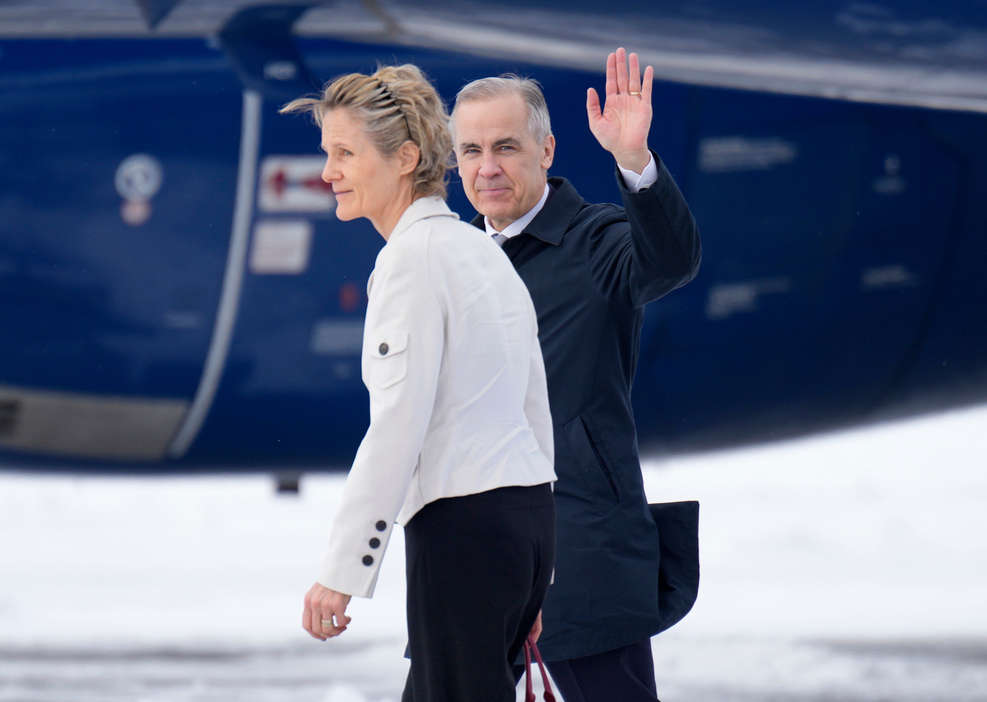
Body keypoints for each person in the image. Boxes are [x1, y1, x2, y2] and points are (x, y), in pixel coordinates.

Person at [281, 64, 557, 702]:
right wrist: (539, 568)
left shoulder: (411, 262)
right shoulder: (479, 250)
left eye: (345, 153)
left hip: (466, 528)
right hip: (524, 518)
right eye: (328, 153)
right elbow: (533, 403)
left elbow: (398, 426)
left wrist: (341, 572)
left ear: (405, 157)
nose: (329, 173)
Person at [450, 48, 702, 701]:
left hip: (580, 547)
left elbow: (668, 260)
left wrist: (634, 163)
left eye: (506, 146)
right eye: (471, 151)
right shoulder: (454, 263)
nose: (488, 167)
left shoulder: (595, 243)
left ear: (547, 150)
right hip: (472, 553)